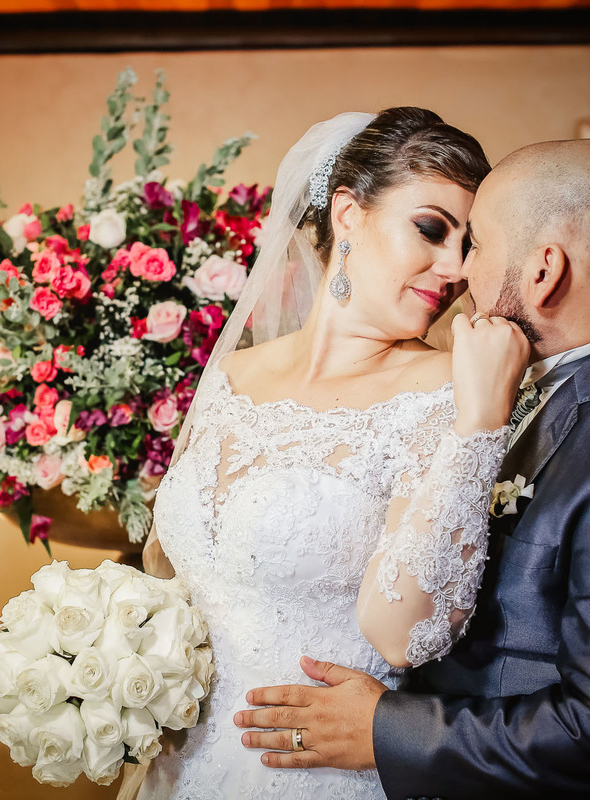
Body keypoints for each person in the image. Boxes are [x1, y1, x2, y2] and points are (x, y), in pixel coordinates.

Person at [233, 139, 590, 799]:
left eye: (475, 244)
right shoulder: (509, 374)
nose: (457, 272)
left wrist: (382, 729)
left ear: (543, 272)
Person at [135, 108, 529, 799]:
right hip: (182, 770)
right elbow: (175, 576)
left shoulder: (446, 392)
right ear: (348, 212)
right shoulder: (233, 376)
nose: (453, 268)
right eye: (431, 229)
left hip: (322, 775)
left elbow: (409, 634)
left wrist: (480, 424)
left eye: (468, 246)